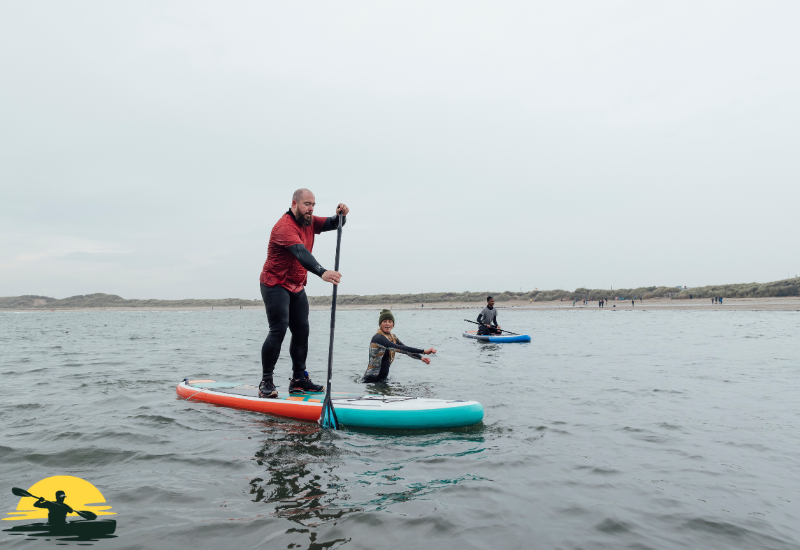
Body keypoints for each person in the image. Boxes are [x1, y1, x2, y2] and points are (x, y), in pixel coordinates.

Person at [258, 189, 349, 398]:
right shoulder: (284, 227)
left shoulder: (309, 222)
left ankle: (299, 379)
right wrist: (322, 272)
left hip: (297, 285)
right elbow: (301, 254)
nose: (311, 209)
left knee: (302, 331)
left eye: (313, 205)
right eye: (307, 204)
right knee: (278, 329)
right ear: (295, 204)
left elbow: (334, 223)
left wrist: (341, 216)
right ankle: (266, 381)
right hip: (275, 284)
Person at [362, 310, 436, 382]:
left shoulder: (392, 337)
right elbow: (399, 348)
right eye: (384, 321)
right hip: (371, 381)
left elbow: (405, 349)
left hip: (382, 381)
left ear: (393, 324)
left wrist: (421, 357)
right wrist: (424, 351)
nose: (387, 324)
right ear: (380, 324)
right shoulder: (378, 338)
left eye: (390, 321)